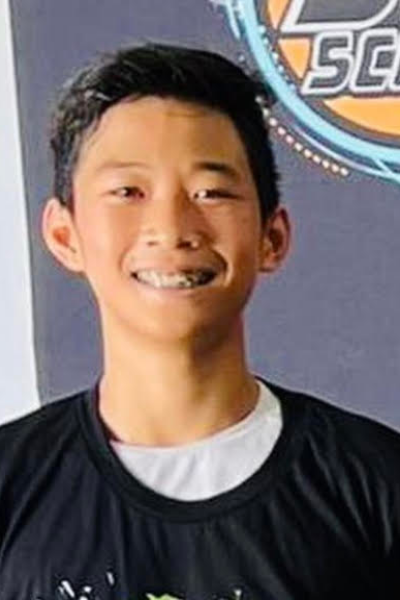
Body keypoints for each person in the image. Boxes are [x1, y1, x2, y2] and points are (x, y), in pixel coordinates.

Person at [0, 43, 399, 600]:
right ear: (65, 235)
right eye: (128, 192)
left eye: (211, 192)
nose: (170, 227)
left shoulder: (375, 482)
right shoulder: (13, 483)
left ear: (272, 236)